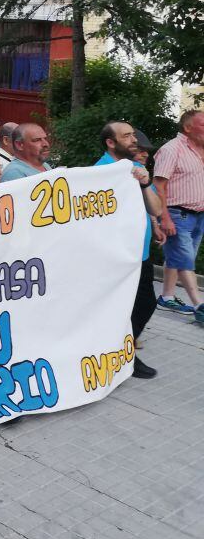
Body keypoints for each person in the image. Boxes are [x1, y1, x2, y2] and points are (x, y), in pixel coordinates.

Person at [95, 121, 164, 377]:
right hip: (115, 256)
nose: (134, 140)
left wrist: (145, 184)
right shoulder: (100, 172)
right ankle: (120, 355)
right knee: (121, 306)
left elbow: (155, 209)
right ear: (111, 143)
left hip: (140, 253)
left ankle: (123, 351)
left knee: (144, 303)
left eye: (134, 134)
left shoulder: (136, 168)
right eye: (127, 136)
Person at [152, 110, 204, 322]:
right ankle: (199, 305)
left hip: (199, 215)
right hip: (177, 213)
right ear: (188, 128)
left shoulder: (201, 150)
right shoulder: (171, 149)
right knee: (185, 260)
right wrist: (164, 217)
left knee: (176, 256)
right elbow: (159, 185)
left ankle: (166, 296)